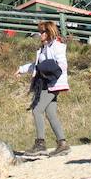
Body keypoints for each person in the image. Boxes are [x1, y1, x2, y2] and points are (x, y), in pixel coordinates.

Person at [16, 20, 71, 157]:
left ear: (49, 32)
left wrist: (51, 70)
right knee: (51, 113)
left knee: (37, 110)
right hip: (45, 83)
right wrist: (21, 69)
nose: (40, 34)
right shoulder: (44, 48)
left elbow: (62, 64)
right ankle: (62, 144)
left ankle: (40, 144)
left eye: (42, 32)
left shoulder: (57, 46)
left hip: (53, 83)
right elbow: (36, 65)